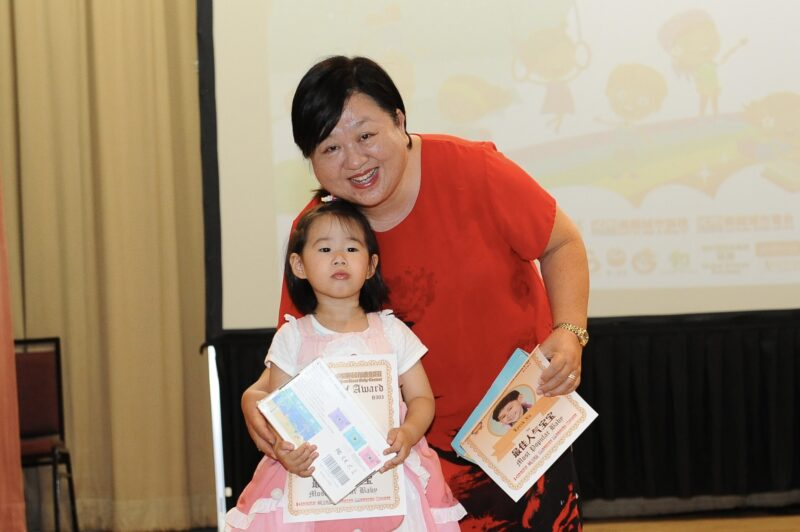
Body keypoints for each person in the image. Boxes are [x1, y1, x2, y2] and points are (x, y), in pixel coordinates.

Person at [242, 55, 590, 530]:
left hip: (516, 426)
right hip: (401, 464)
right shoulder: (321, 235)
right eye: (330, 147)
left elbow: (561, 243)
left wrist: (570, 330)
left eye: (366, 136)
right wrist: (256, 397)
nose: (354, 161)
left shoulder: (474, 170)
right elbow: (303, 352)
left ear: (399, 121)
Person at [226, 200, 466, 531]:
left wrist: (409, 433)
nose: (339, 258)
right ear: (298, 265)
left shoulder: (392, 331)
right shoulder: (292, 337)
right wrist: (285, 450)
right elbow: (281, 410)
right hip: (313, 478)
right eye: (325, 249)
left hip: (387, 474)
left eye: (352, 248)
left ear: (370, 265)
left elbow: (421, 398)